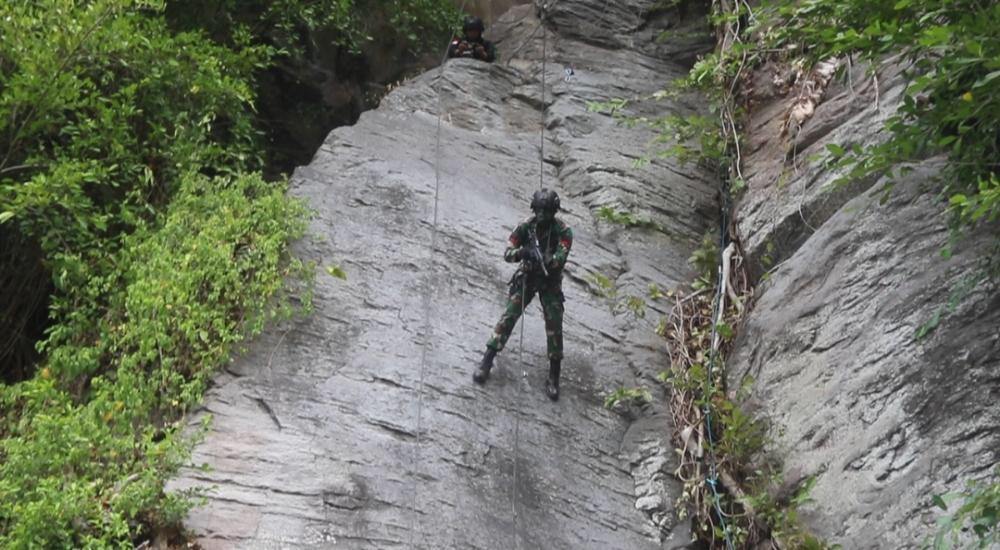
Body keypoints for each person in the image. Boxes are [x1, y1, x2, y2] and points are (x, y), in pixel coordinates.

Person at [473, 189, 573, 401]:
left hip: (550, 282)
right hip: (528, 277)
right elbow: (507, 253)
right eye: (539, 211)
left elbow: (561, 256)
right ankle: (487, 360)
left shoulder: (563, 230)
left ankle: (554, 376)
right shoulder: (526, 226)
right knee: (509, 316)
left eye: (546, 211)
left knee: (554, 325)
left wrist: (549, 260)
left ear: (553, 211)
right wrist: (523, 253)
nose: (542, 215)